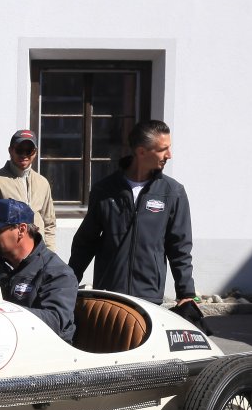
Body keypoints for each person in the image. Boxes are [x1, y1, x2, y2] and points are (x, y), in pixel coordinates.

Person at [69, 120, 196, 306]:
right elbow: (85, 242)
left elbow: (180, 247)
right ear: (141, 152)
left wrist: (186, 292)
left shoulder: (172, 192)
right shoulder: (105, 190)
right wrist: (68, 283)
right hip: (109, 294)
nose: (169, 155)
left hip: (149, 296)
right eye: (163, 149)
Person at [0, 198, 78, 343]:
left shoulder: (58, 273)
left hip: (45, 350)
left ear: (21, 230)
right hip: (1, 345)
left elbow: (55, 320)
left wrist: (3, 312)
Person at [0, 129, 58, 252]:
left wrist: (50, 251)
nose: (24, 155)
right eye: (19, 150)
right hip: (10, 254)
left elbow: (49, 222)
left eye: (29, 150)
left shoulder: (42, 183)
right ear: (10, 150)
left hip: (39, 253)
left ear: (35, 152)